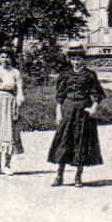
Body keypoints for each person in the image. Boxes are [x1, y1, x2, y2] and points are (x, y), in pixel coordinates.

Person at [47, 46, 106, 187]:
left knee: (81, 140)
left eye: (79, 59)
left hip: (83, 110)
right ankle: (59, 175)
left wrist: (94, 108)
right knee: (64, 140)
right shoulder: (65, 75)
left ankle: (78, 176)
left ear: (83, 60)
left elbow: (98, 93)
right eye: (73, 59)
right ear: (69, 60)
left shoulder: (90, 75)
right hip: (68, 109)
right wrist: (58, 112)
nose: (76, 62)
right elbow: (59, 96)